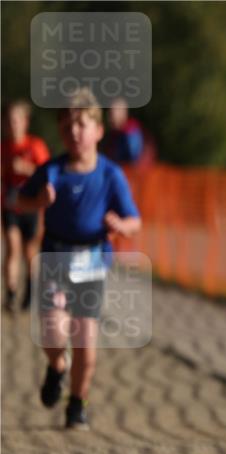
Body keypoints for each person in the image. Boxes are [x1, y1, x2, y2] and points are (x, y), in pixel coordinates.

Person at [17, 89, 141, 430]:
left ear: (98, 130)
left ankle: (77, 403)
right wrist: (38, 200)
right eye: (68, 124)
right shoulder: (52, 170)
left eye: (82, 124)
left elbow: (135, 220)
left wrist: (120, 224)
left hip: (92, 263)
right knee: (52, 333)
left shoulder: (110, 174)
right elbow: (17, 200)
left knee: (86, 340)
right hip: (56, 259)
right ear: (60, 130)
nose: (75, 131)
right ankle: (57, 367)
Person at [2, 100, 50, 311]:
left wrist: (26, 168)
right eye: (9, 121)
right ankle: (11, 294)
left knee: (30, 253)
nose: (13, 125)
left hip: (31, 207)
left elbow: (48, 175)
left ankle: (29, 294)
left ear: (25, 122)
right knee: (12, 248)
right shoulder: (3, 148)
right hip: (10, 206)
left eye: (17, 120)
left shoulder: (35, 146)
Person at [99, 98, 145, 166]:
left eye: (112, 112)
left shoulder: (130, 133)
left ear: (122, 112)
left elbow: (132, 161)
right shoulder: (114, 134)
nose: (109, 117)